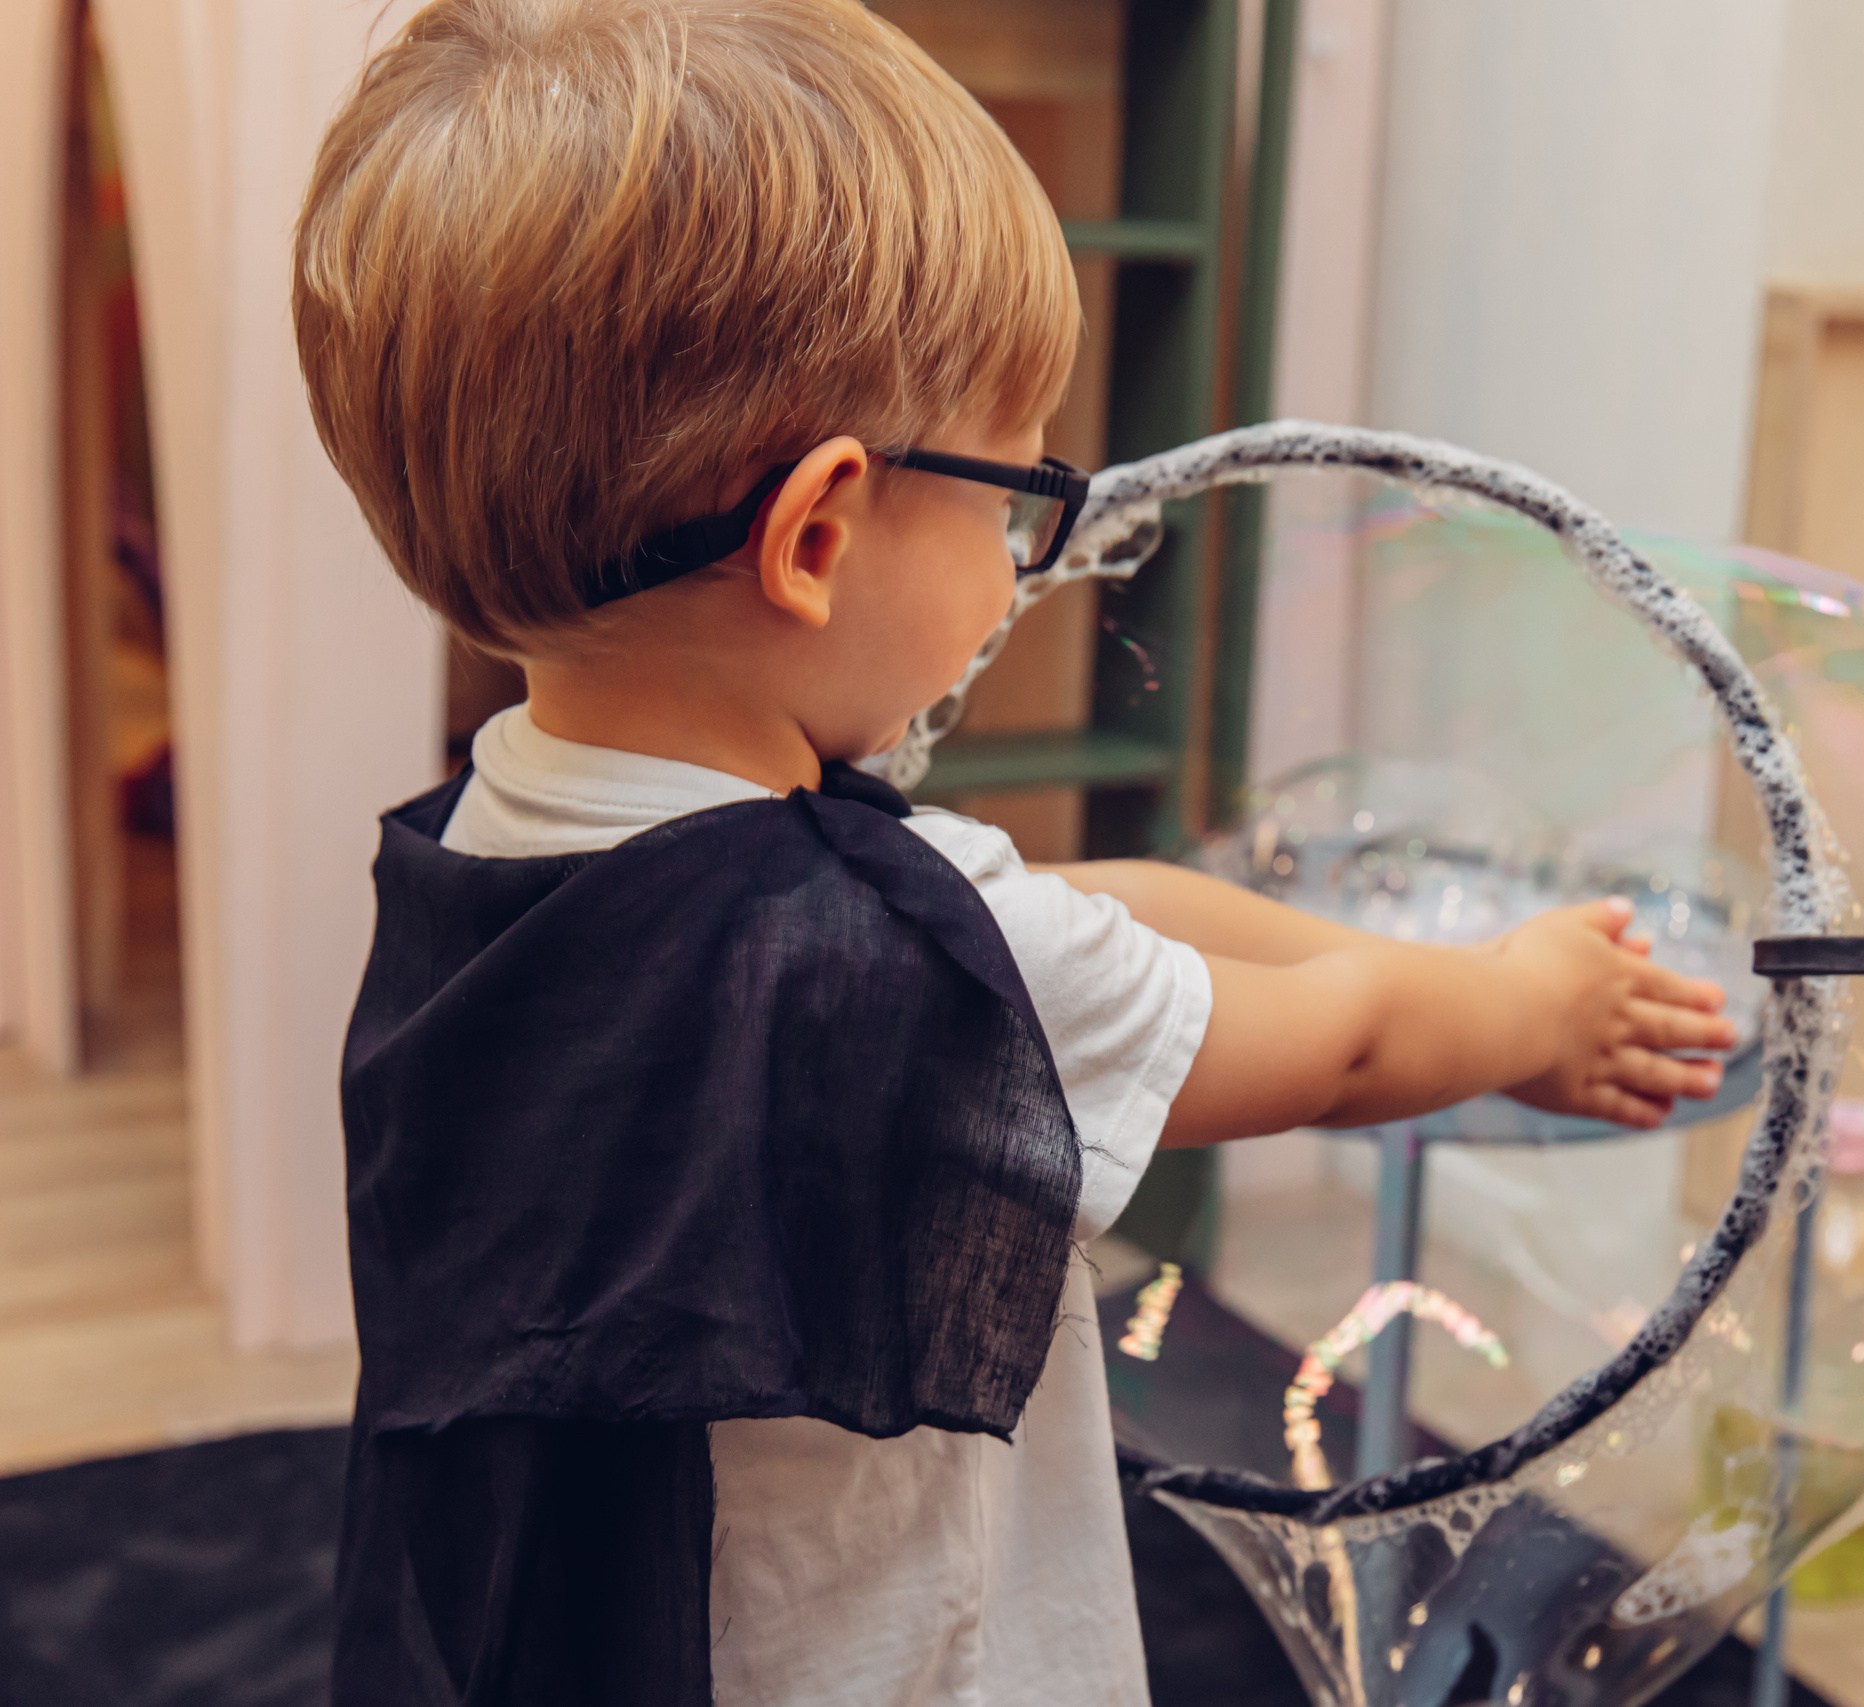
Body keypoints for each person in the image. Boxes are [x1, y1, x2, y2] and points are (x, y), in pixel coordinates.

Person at [292, 3, 1737, 1703]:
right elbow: (1333, 1052)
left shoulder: (494, 841)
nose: (1027, 547)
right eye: (1013, 490)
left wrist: (1309, 936)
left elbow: (1042, 926)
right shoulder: (908, 956)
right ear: (818, 535)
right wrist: (1527, 1005)